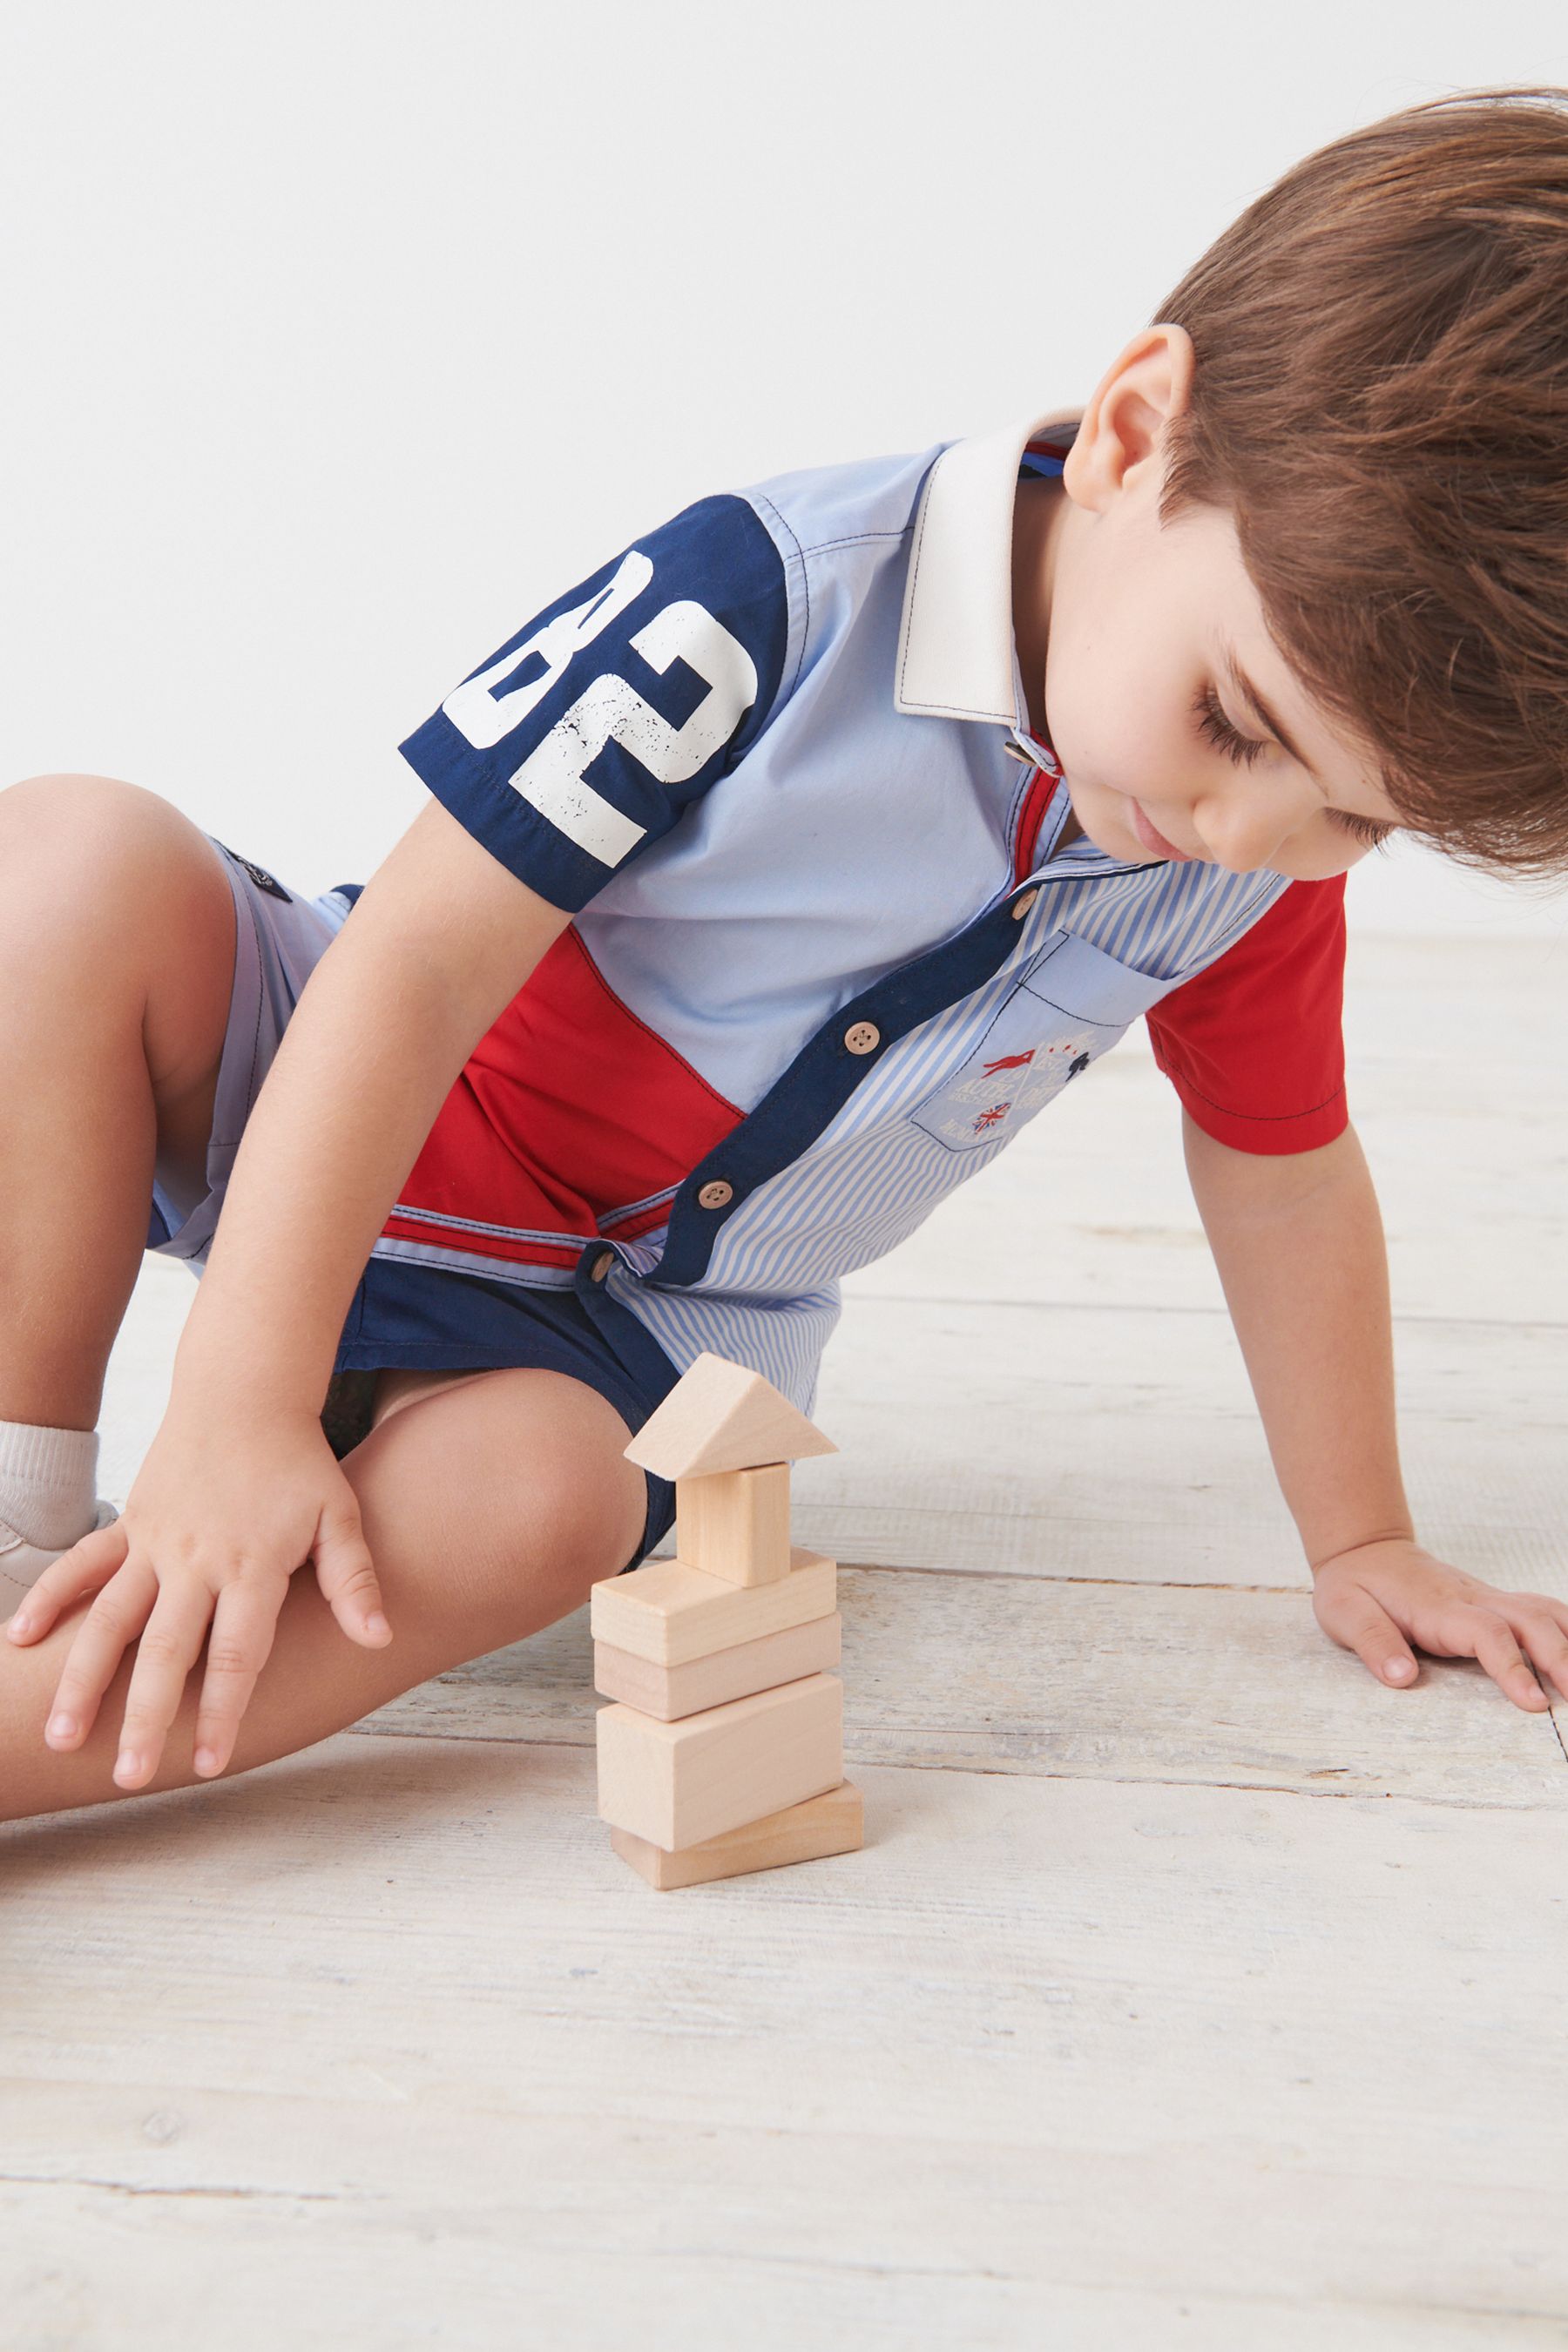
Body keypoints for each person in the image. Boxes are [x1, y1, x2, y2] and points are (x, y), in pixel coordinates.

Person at [4, 88, 1567, 1826]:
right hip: (330, 1097)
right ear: (1135, 436)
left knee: (542, 1505)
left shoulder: (1244, 877)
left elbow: (1280, 1172)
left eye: (1353, 821)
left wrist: (1361, 1535)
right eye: (1234, 720)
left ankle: (18, 1751)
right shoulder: (773, 600)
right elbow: (422, 965)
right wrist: (234, 1405)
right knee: (71, 865)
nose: (1250, 835)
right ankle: (16, 1516)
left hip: (612, 1342)